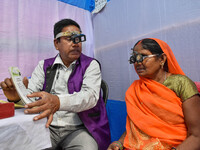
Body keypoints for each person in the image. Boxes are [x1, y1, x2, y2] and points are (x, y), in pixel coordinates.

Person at [0, 18, 110, 150]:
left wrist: (58, 101)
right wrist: (17, 97)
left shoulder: (91, 65)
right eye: (69, 38)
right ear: (56, 44)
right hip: (46, 127)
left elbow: (90, 97)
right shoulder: (44, 66)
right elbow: (32, 98)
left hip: (79, 129)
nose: (76, 43)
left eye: (79, 38)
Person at [107, 38, 200, 150]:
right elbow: (135, 127)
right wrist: (119, 143)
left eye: (143, 57)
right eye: (134, 58)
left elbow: (196, 135)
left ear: (161, 59)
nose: (137, 62)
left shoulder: (181, 84)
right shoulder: (136, 89)